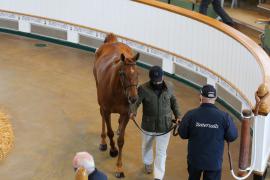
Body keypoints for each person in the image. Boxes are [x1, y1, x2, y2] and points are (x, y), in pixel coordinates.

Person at [131, 66, 181, 180]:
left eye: (159, 80)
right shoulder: (143, 89)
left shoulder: (170, 87)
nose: (157, 82)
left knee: (161, 152)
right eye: (155, 80)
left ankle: (158, 176)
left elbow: (174, 102)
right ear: (150, 78)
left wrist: (178, 116)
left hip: (165, 126)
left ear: (163, 77)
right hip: (148, 125)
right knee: (146, 146)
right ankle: (147, 162)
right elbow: (136, 102)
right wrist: (133, 111)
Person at [178, 84, 238, 180]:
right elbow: (232, 136)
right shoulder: (224, 117)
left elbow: (182, 134)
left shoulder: (191, 115)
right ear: (215, 98)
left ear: (200, 96)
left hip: (195, 160)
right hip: (214, 162)